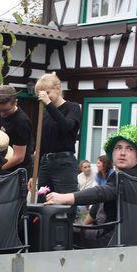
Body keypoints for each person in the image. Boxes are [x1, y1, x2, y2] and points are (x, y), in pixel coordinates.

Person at [46, 125, 137, 248]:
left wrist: (64, 198)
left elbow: (102, 192)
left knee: (56, 232)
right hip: (129, 240)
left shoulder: (129, 180)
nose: (122, 153)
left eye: (129, 149)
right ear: (112, 153)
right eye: (118, 148)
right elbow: (101, 199)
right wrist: (84, 225)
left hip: (112, 241)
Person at [33, 72, 81, 202]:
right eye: (41, 94)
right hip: (45, 162)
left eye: (48, 92)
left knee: (65, 202)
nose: (44, 97)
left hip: (64, 162)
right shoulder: (46, 113)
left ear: (58, 89)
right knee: (43, 201)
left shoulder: (73, 108)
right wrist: (34, 174)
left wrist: (48, 104)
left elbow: (66, 126)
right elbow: (41, 144)